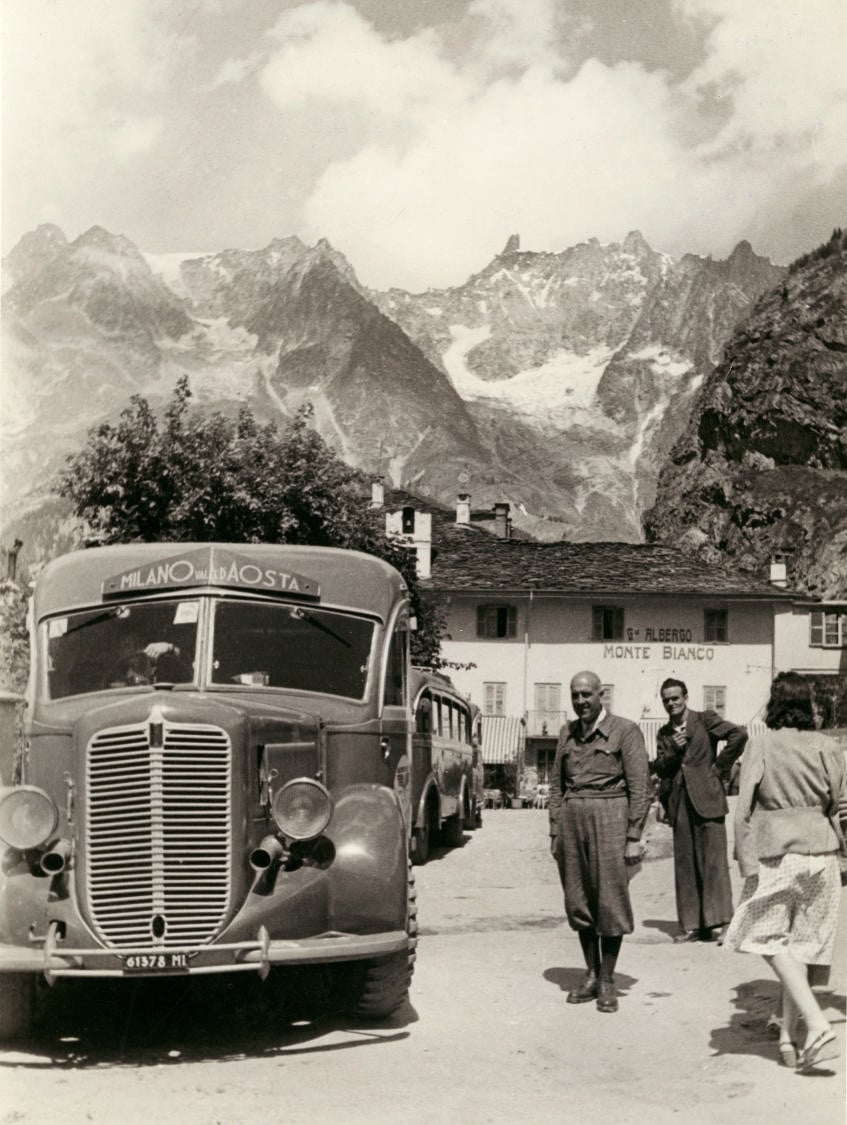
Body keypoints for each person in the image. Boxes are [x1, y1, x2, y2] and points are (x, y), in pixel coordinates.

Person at [723, 672, 846, 1073]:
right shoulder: (828, 745)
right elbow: (839, 806)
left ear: (774, 703)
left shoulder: (762, 744)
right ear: (808, 705)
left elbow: (743, 810)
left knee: (759, 935)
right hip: (822, 853)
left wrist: (746, 862)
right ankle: (788, 1040)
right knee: (803, 948)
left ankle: (817, 1025)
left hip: (778, 853)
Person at [548, 671, 652, 1013]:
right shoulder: (567, 733)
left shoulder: (626, 730)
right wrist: (555, 831)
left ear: (600, 694)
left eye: (586, 695)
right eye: (575, 695)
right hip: (572, 818)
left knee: (609, 899)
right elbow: (556, 786)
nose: (580, 702)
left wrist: (633, 836)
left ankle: (607, 979)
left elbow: (640, 787)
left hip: (611, 815)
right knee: (578, 899)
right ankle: (590, 973)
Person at [654, 677, 747, 943]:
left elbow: (739, 735)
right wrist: (674, 750)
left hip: (708, 798)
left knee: (714, 863)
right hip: (680, 802)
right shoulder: (663, 733)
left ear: (685, 697)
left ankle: (725, 923)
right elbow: (661, 768)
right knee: (686, 864)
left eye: (675, 698)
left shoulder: (704, 720)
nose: (671, 703)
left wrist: (719, 767)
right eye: (666, 700)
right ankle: (695, 926)